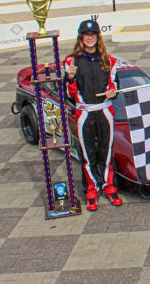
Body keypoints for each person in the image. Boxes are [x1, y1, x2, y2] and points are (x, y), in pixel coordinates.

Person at [64, 19, 123, 211]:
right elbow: (68, 94)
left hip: (105, 110)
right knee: (88, 155)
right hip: (84, 112)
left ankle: (109, 187)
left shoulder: (110, 60)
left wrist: (113, 92)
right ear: (81, 37)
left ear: (98, 37)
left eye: (93, 35)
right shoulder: (71, 61)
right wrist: (70, 77)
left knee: (106, 153)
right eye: (86, 35)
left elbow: (115, 85)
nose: (90, 38)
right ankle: (91, 190)